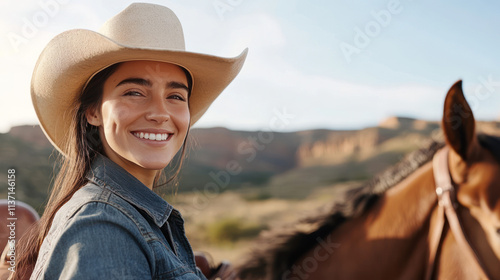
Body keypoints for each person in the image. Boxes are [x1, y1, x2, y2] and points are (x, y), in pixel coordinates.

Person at [14, 3, 247, 280]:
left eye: (175, 96)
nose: (160, 113)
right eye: (135, 92)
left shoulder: (130, 216)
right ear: (93, 111)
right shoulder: (103, 226)